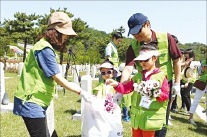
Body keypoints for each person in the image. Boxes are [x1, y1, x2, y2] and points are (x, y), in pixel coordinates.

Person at [13, 11, 92, 137]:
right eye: (65, 35)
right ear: (56, 32)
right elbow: (58, 78)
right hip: (31, 101)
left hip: (37, 100)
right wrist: (81, 92)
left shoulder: (43, 45)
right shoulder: (45, 49)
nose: (66, 38)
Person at [120, 13, 182, 137]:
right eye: (133, 34)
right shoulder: (133, 46)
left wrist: (177, 83)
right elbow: (127, 68)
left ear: (147, 24)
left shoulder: (166, 38)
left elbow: (176, 60)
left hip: (163, 88)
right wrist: (120, 89)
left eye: (139, 32)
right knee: (143, 118)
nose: (137, 36)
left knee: (160, 119)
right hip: (143, 89)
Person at [106, 44, 169, 137]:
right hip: (137, 117)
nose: (143, 62)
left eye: (146, 60)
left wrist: (156, 92)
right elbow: (127, 88)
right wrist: (116, 85)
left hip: (150, 118)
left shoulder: (161, 76)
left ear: (154, 58)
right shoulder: (138, 76)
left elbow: (165, 96)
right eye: (141, 60)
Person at [81, 60, 123, 137]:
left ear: (113, 72)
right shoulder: (100, 86)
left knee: (114, 129)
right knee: (103, 129)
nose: (106, 74)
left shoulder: (117, 85)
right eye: (103, 73)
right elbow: (98, 98)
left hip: (114, 111)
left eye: (109, 72)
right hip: (103, 110)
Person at [189, 54, 207, 125]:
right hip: (202, 83)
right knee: (196, 100)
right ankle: (190, 118)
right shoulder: (203, 62)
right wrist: (202, 70)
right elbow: (199, 73)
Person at [180, 49, 197, 115]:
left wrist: (187, 82)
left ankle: (189, 110)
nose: (185, 55)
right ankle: (189, 110)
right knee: (186, 95)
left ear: (190, 54)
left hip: (190, 80)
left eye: (187, 54)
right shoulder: (187, 60)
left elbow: (191, 73)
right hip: (184, 79)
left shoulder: (192, 62)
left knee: (185, 94)